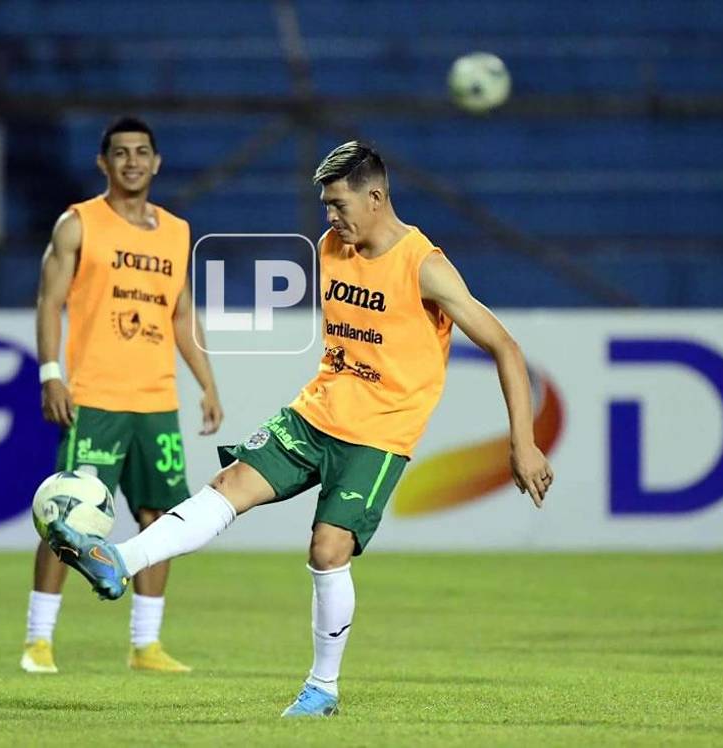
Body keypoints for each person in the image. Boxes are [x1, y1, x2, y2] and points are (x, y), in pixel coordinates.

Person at [47, 141, 553, 716]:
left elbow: (504, 347)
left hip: (379, 436)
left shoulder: (426, 266)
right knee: (230, 486)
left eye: (338, 204)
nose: (330, 218)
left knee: (328, 547)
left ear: (377, 197)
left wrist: (524, 442)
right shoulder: (330, 246)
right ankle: (120, 561)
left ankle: (323, 689)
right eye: (325, 206)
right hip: (314, 414)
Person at [21, 116, 224, 674]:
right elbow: (48, 300)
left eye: (141, 152)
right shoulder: (78, 223)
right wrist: (50, 373)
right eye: (120, 153)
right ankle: (39, 640)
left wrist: (207, 383)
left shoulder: (178, 233)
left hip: (156, 401)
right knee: (70, 517)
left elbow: (182, 314)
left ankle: (145, 645)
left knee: (161, 517)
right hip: (96, 397)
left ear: (156, 163)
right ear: (102, 164)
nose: (132, 161)